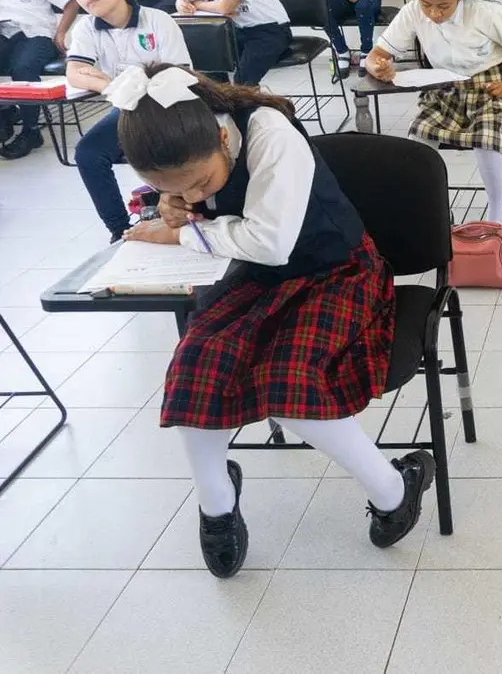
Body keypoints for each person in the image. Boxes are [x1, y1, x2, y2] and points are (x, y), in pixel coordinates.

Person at [111, 64, 432, 578]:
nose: (194, 195)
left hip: (336, 270)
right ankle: (216, 503)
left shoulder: (269, 133)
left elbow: (270, 241)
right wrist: (175, 204)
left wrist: (184, 232)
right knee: (195, 368)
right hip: (256, 276)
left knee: (294, 382)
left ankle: (396, 488)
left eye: (199, 182)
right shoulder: (178, 140)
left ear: (222, 136)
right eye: (176, 187)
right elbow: (219, 220)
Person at [365, 0, 502, 226]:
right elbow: (376, 54)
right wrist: (378, 67)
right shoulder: (412, 11)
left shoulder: (485, 12)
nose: (434, 14)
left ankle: (497, 212)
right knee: (418, 143)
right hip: (443, 86)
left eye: (443, 6)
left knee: (486, 137)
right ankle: (436, 211)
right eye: (426, 4)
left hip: (488, 85)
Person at [64, 0, 192, 242]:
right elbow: (75, 72)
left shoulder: (157, 20)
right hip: (125, 107)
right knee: (88, 153)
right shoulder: (86, 27)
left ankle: (177, 214)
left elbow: (175, 76)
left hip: (167, 105)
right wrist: (112, 86)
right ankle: (120, 230)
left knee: (159, 149)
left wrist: (114, 84)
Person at [0, 0, 78, 159]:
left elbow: (71, 3)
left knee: (22, 69)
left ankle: (31, 131)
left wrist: (61, 33)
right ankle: (6, 114)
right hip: (5, 35)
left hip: (38, 36)